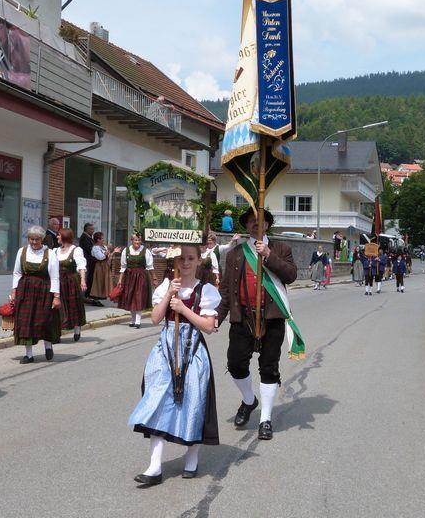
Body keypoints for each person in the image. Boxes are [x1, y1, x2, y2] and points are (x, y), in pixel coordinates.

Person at [128, 245, 220, 485]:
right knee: (157, 400)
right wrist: (169, 294)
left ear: (199, 260)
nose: (186, 263)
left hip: (192, 350)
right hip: (165, 349)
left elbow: (208, 327)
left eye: (190, 258)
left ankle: (192, 456)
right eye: (181, 258)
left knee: (193, 402)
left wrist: (183, 309)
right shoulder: (168, 286)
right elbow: (155, 318)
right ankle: (154, 467)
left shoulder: (206, 290)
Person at [216, 207, 297, 441]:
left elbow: (291, 275)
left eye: (259, 221)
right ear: (247, 226)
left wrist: (269, 255)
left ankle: (265, 419)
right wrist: (216, 318)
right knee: (235, 364)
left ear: (267, 225)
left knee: (269, 367)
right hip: (243, 318)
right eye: (251, 221)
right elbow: (226, 290)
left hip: (272, 317)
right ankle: (249, 400)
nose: (255, 224)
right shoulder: (235, 253)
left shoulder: (281, 249)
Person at [11, 225, 61, 363]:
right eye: (31, 239)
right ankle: (29, 354)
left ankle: (48, 345)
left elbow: (55, 277)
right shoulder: (22, 251)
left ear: (42, 239)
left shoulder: (49, 253)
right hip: (25, 290)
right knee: (26, 322)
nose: (34, 242)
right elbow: (17, 273)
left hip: (44, 291)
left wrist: (56, 296)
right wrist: (14, 290)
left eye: (37, 239)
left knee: (44, 320)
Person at [53, 228, 87, 341]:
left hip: (71, 281)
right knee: (58, 306)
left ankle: (77, 328)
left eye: (59, 235)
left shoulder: (76, 250)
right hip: (58, 281)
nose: (57, 237)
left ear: (64, 236)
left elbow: (81, 266)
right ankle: (57, 331)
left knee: (73, 304)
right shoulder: (55, 251)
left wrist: (82, 280)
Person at [118, 233, 157, 328]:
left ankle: (138, 321)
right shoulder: (126, 251)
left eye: (139, 240)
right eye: (135, 240)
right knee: (131, 297)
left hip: (141, 277)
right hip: (129, 277)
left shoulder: (145, 251)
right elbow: (123, 267)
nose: (137, 242)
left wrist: (154, 278)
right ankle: (133, 320)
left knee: (139, 297)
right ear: (131, 241)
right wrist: (120, 280)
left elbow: (150, 266)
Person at [89, 232, 112, 302]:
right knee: (99, 281)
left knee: (105, 280)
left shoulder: (104, 247)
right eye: (102, 239)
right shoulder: (95, 248)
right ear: (98, 240)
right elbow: (100, 257)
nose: (103, 240)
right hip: (99, 266)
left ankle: (103, 295)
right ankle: (97, 296)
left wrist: (109, 253)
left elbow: (108, 255)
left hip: (105, 266)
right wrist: (107, 250)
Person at [79, 223, 97, 304]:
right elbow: (89, 249)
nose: (93, 231)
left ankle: (88, 295)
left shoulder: (89, 237)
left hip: (90, 261)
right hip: (87, 261)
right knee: (87, 278)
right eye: (91, 229)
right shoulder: (84, 238)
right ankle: (85, 296)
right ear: (87, 229)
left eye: (93, 229)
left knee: (90, 278)